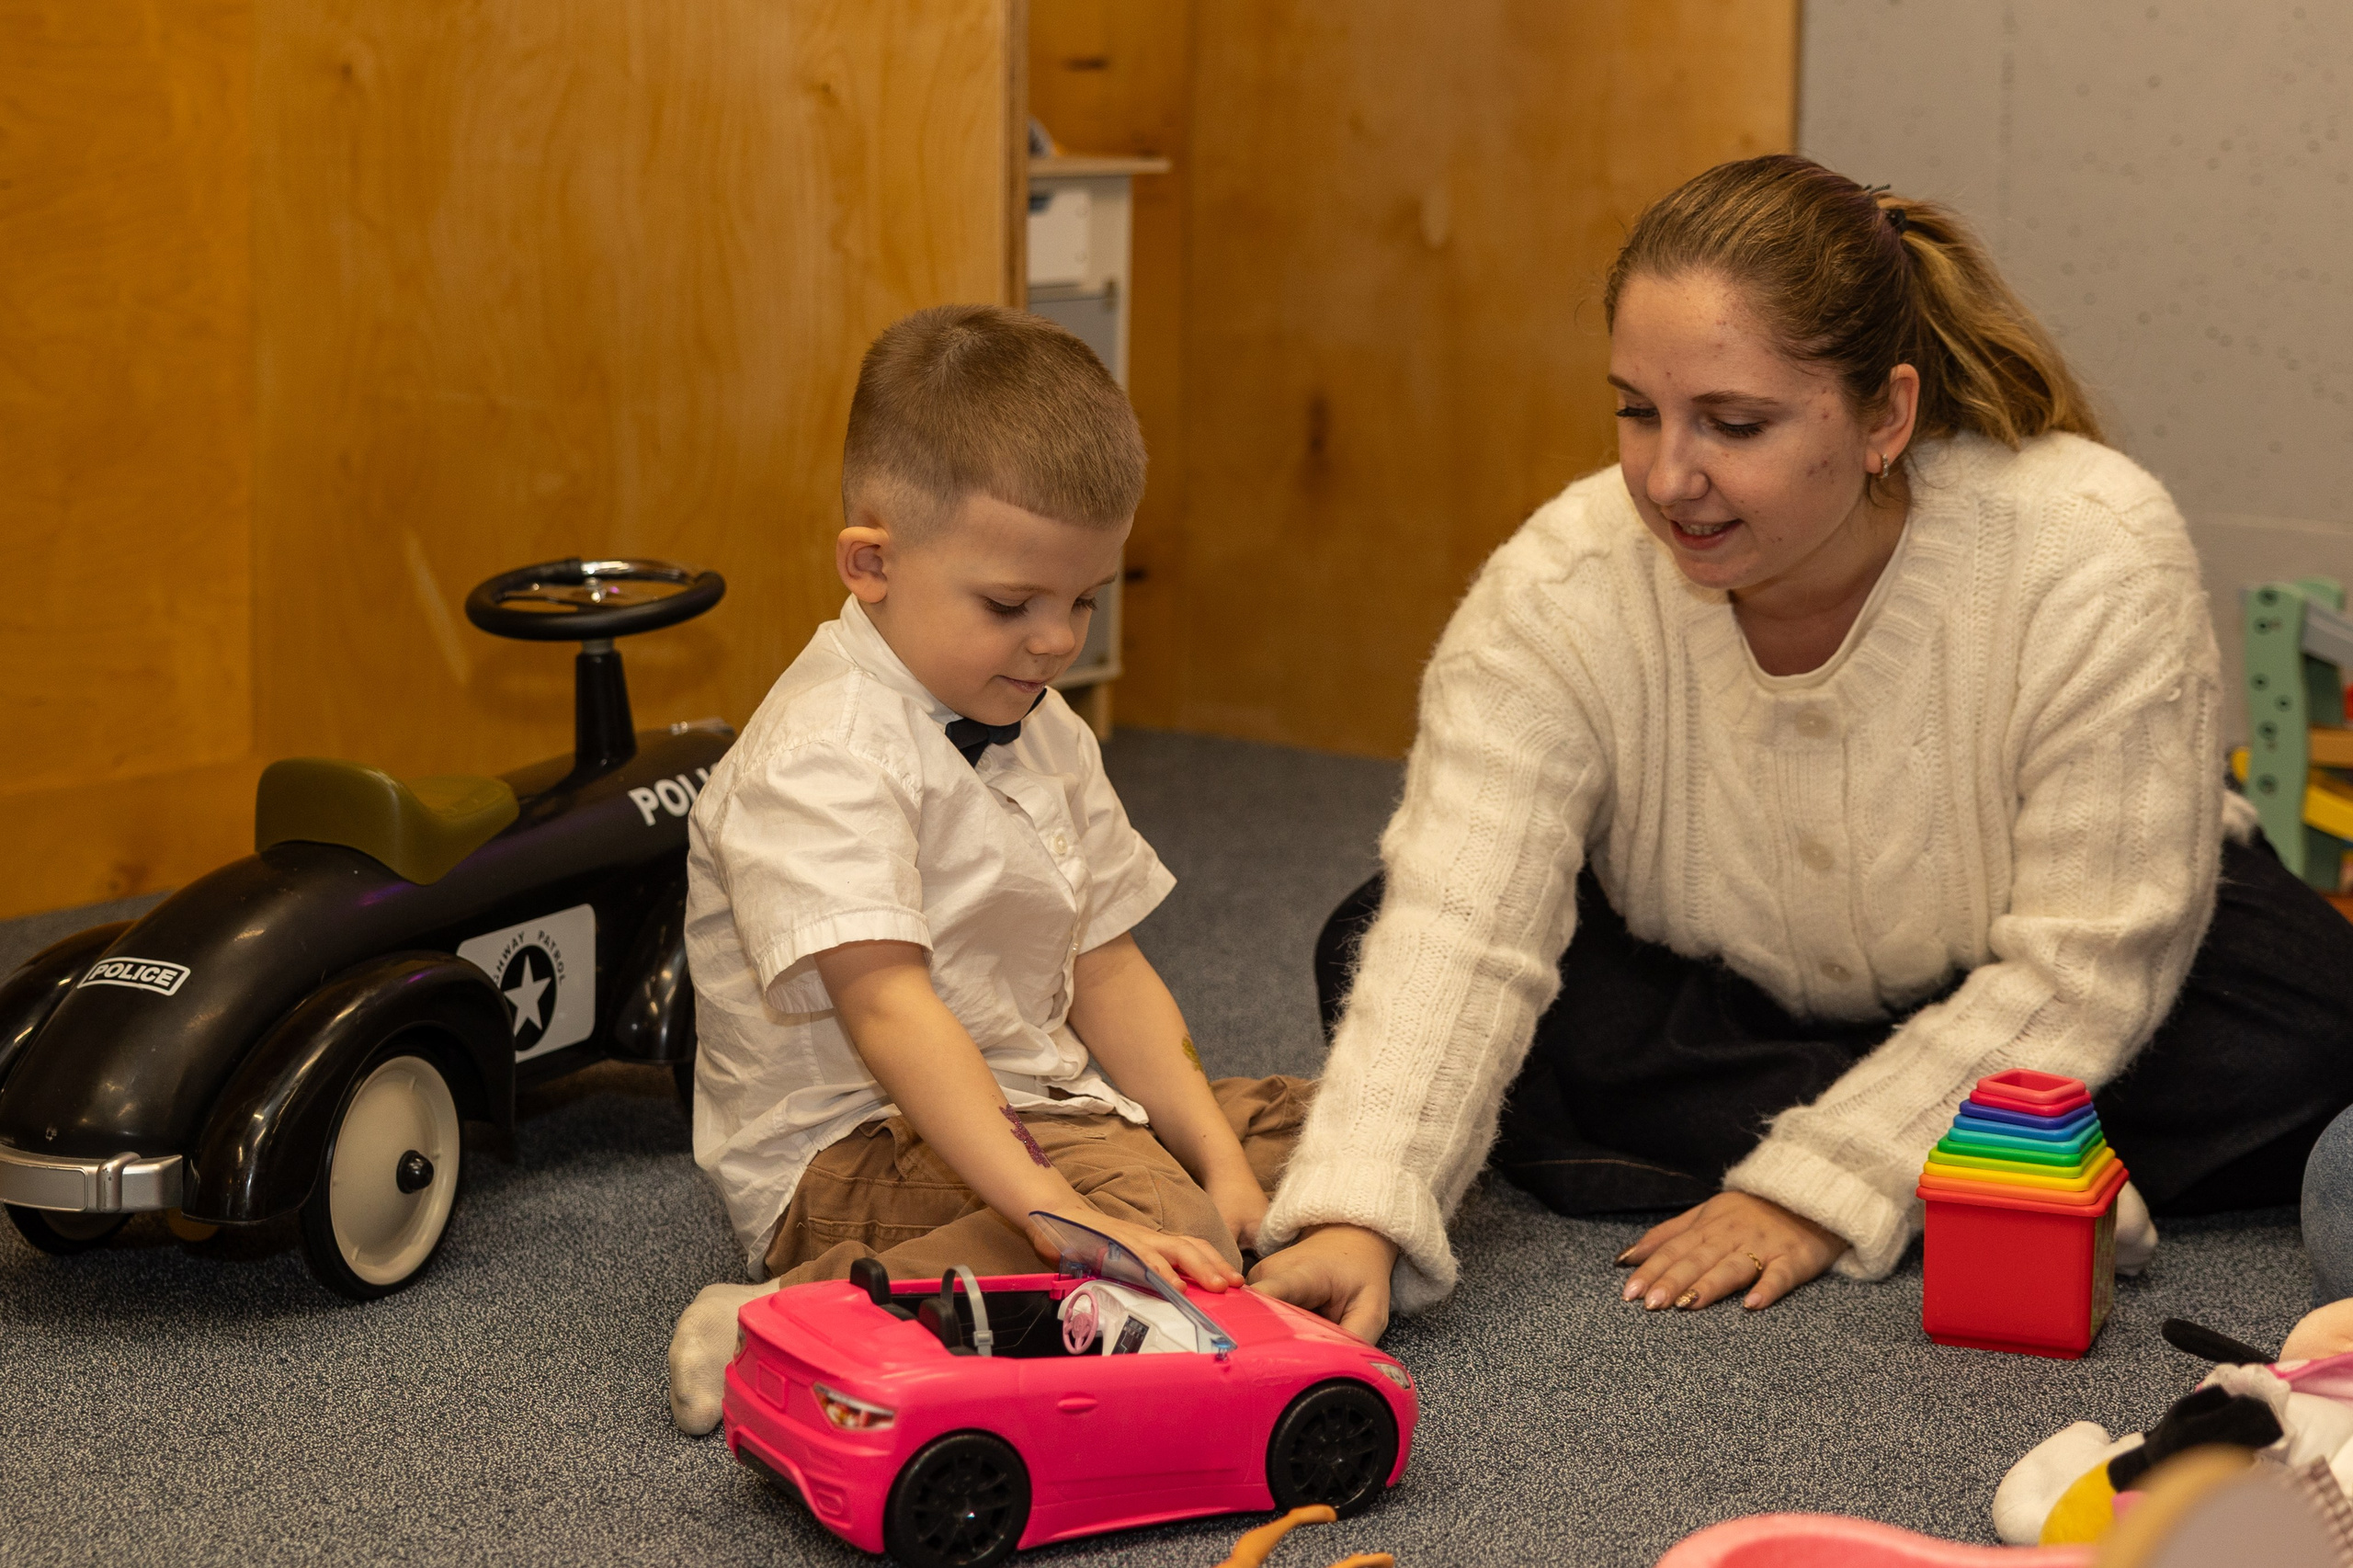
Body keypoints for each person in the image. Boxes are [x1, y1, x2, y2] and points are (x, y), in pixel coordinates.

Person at [1245, 154, 2353, 1343]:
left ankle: (1897, 1137)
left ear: (1887, 414)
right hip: (1729, 982)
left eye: (1735, 423)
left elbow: (2091, 961)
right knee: (1371, 938)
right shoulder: (1559, 582)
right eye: (1636, 408)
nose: (1671, 476)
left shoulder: (2091, 545)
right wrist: (1358, 1209)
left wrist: (1812, 1189)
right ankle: (1989, 1155)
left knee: (2305, 1036)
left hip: (2060, 971)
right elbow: (1463, 920)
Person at [666, 304, 1308, 1430]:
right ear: (872, 563)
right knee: (1164, 1229)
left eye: (1084, 600)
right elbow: (890, 1012)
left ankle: (1147, 1209)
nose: (1057, 640)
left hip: (1039, 1096)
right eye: (1012, 604)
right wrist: (1052, 1203)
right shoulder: (821, 752)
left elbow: (1103, 967)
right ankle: (788, 1313)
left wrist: (1222, 1160)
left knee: (1337, 1126)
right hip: (855, 1146)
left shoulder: (1038, 717)